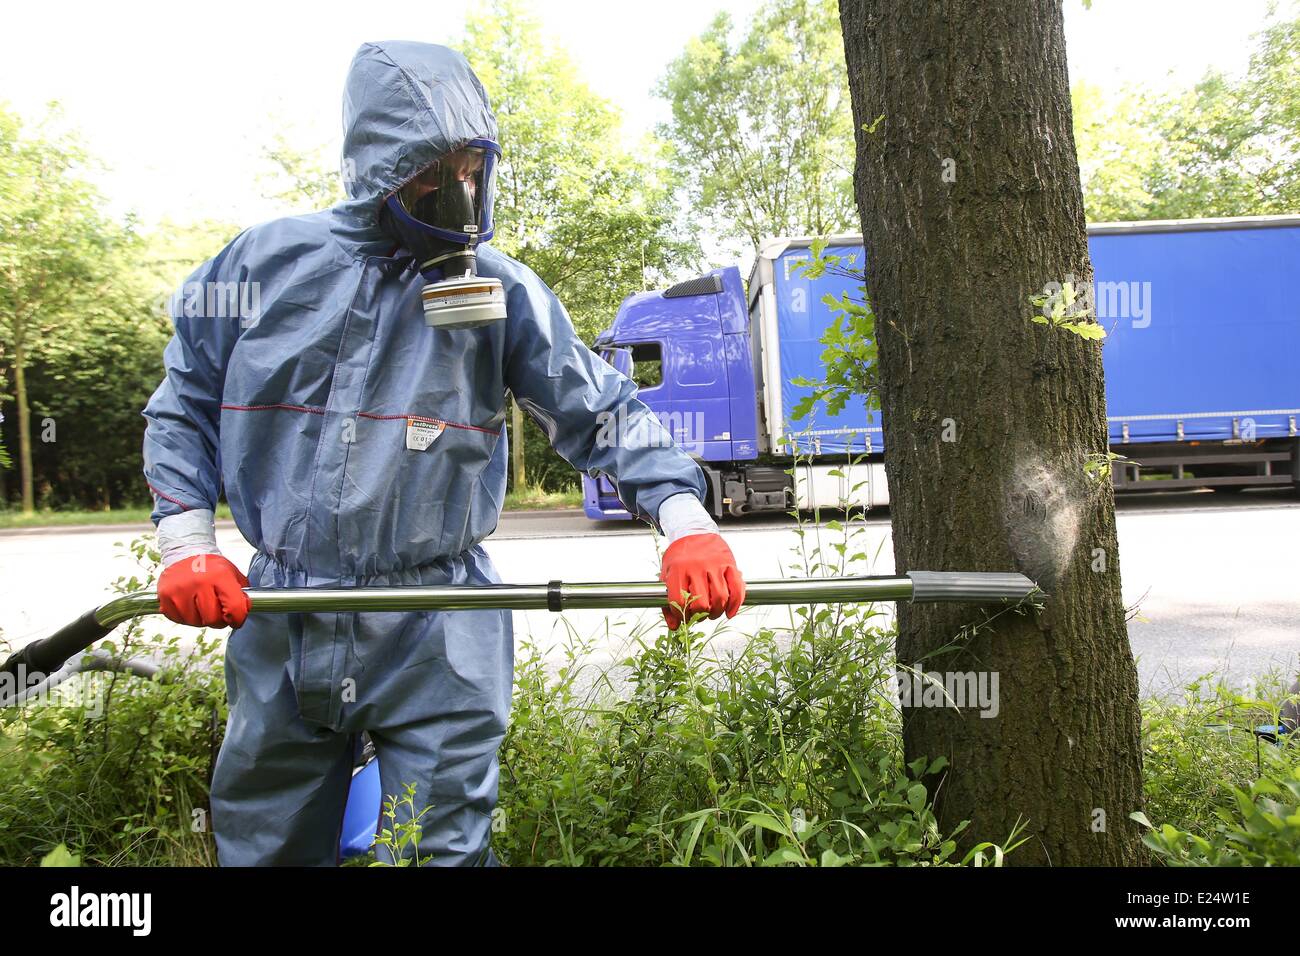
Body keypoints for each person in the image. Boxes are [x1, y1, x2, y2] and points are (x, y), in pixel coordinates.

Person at [142, 40, 745, 866]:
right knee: (266, 842)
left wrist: (685, 523)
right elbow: (183, 405)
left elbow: (599, 412)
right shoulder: (259, 266)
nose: (458, 191)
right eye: (435, 169)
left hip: (441, 623)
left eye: (471, 167)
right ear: (378, 164)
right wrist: (186, 544)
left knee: (439, 849)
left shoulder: (500, 289)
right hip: (284, 613)